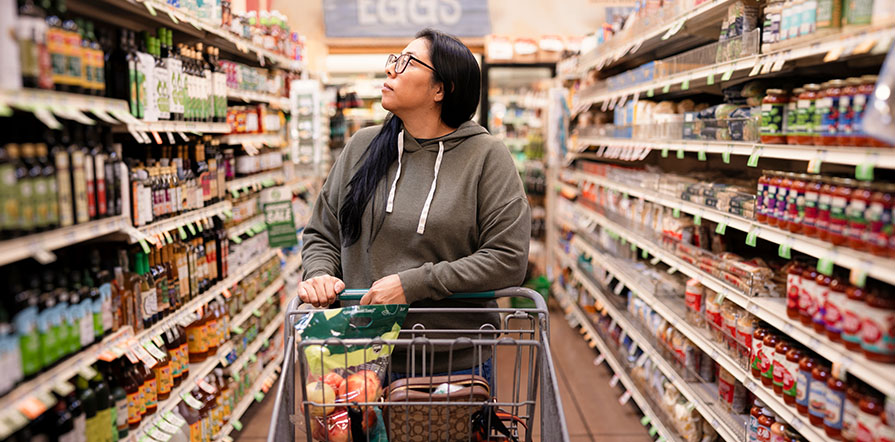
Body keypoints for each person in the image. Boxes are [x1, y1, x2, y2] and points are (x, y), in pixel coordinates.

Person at [298, 28, 531, 381]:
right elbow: (323, 232)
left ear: (441, 89)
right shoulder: (363, 146)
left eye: (407, 62)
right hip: (356, 352)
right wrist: (320, 274)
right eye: (394, 59)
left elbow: (507, 258)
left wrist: (415, 283)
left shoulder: (486, 156)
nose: (391, 69)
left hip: (450, 361)